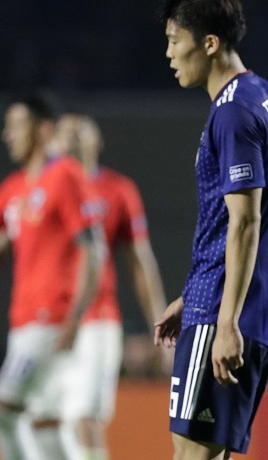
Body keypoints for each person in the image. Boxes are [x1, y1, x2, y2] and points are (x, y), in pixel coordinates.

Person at [153, 0, 268, 460]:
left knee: (191, 453)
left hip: (226, 312)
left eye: (176, 41)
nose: (169, 54)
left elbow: (245, 221)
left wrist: (224, 318)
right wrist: (190, 293)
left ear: (210, 43)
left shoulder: (233, 111)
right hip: (247, 306)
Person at [55, 112, 169, 460]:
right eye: (65, 133)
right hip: (46, 321)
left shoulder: (116, 190)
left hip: (96, 319)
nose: (72, 138)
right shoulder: (35, 190)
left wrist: (162, 328)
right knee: (34, 418)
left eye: (80, 132)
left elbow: (140, 261)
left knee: (85, 419)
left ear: (97, 141)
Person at [0, 94, 105, 460]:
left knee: (4, 415)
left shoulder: (65, 175)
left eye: (16, 125)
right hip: (22, 322)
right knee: (45, 425)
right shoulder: (12, 189)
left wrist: (76, 317)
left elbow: (94, 250)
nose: (7, 134)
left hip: (52, 320)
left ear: (43, 130)